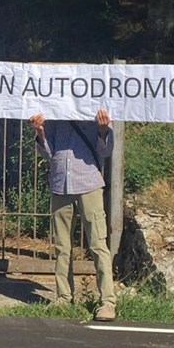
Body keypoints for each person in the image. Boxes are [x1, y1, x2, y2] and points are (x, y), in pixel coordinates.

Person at [29, 108, 117, 321]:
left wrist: (103, 129)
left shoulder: (96, 108)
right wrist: (40, 132)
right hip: (60, 184)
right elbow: (48, 153)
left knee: (97, 244)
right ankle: (64, 297)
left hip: (89, 184)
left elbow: (106, 151)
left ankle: (108, 301)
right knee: (61, 246)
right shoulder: (55, 110)